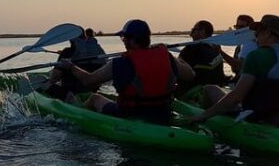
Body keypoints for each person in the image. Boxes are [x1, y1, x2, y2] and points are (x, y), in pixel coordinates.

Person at [189, 14, 279, 127]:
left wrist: (203, 115)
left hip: (262, 119)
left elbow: (236, 97)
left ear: (268, 33)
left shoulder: (256, 56)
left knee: (210, 88)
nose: (255, 36)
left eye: (257, 32)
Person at [56, 19, 195, 124]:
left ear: (133, 40)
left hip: (130, 113)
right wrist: (173, 57)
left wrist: (71, 67)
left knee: (94, 98)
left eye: (124, 38)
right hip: (162, 111)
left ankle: (81, 115)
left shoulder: (120, 62)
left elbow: (88, 80)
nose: (123, 41)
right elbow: (190, 75)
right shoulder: (167, 56)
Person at [42, 27, 108, 99]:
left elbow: (55, 78)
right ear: (84, 37)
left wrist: (48, 81)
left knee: (45, 84)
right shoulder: (98, 51)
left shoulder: (67, 52)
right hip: (92, 92)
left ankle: (67, 97)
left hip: (72, 92)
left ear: (71, 39)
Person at [176, 20, 227, 93]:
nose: (191, 33)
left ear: (202, 32)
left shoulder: (190, 49)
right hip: (216, 89)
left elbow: (177, 71)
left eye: (194, 30)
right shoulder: (216, 50)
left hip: (194, 92)